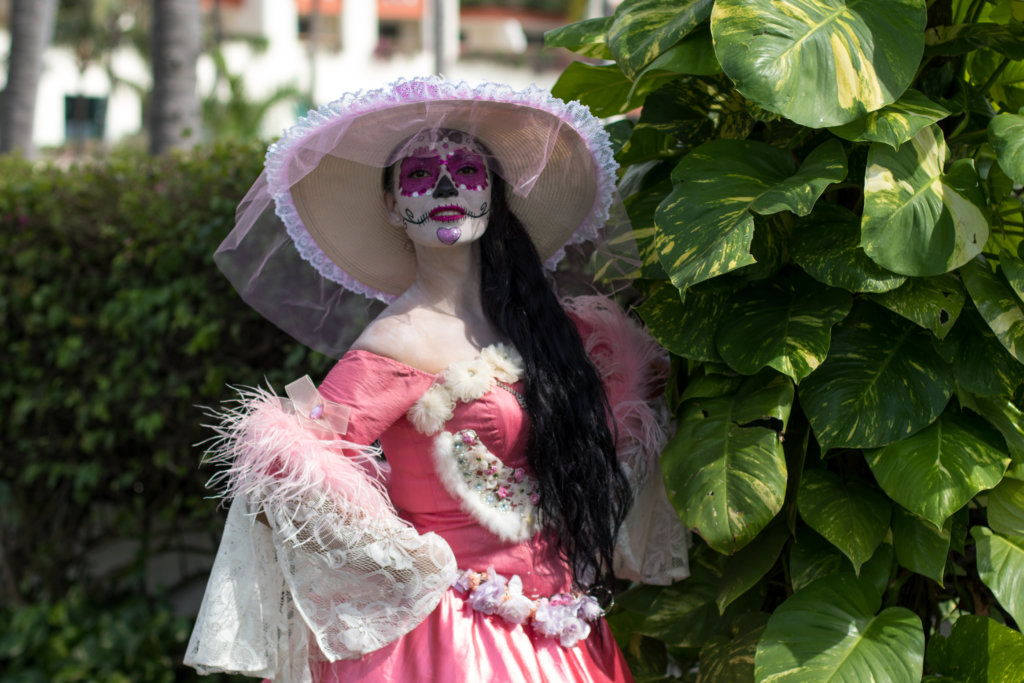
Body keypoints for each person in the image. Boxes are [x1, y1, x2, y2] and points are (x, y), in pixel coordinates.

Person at [185, 77, 689, 683]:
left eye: (467, 171)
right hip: (452, 646)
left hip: (564, 633)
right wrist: (402, 560)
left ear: (494, 194)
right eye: (421, 174)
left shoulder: (551, 332)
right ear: (394, 206)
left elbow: (625, 423)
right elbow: (287, 472)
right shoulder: (396, 342)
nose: (447, 186)